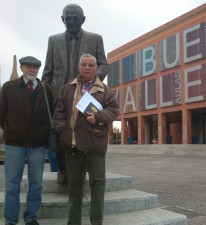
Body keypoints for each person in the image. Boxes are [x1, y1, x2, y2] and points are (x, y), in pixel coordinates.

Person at [42, 3, 109, 184]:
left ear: (83, 20)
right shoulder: (53, 40)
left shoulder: (95, 39)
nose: (71, 22)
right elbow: (48, 72)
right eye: (68, 18)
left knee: (84, 133)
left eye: (75, 18)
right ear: (63, 19)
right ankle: (63, 171)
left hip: (86, 95)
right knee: (60, 133)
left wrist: (91, 79)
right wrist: (43, 97)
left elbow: (104, 64)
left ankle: (81, 172)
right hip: (60, 96)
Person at [54, 53, 119, 225]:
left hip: (95, 146)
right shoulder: (68, 87)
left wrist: (97, 117)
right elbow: (59, 111)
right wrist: (62, 131)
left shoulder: (105, 90)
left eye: (91, 65)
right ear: (79, 67)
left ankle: (96, 222)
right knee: (74, 188)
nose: (87, 68)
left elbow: (114, 111)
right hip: (73, 146)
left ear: (96, 68)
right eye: (84, 65)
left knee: (98, 186)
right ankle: (73, 222)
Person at [0, 56, 53, 225]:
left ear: (39, 70)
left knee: (36, 184)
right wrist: (11, 129)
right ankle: (10, 220)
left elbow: (50, 112)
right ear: (22, 68)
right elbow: (1, 114)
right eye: (28, 67)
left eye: (35, 67)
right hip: (15, 144)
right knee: (12, 186)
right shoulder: (8, 88)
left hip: (38, 145)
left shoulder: (46, 89)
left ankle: (31, 217)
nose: (32, 70)